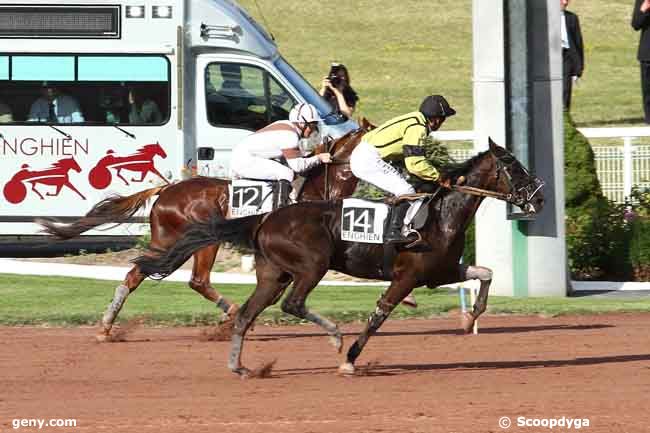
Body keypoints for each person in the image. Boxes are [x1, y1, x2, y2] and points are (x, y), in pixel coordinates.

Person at [349, 95, 456, 307]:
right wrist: (440, 176)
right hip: (369, 158)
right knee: (407, 190)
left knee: (409, 190)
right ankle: (396, 232)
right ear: (435, 118)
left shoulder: (415, 119)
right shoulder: (418, 128)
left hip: (368, 155)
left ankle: (397, 230)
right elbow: (415, 163)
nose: (442, 123)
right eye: (443, 119)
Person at [229, 102, 331, 203]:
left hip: (243, 155)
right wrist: (319, 158)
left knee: (284, 169)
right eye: (312, 126)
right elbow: (297, 167)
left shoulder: (287, 125)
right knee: (286, 173)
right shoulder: (290, 136)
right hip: (244, 159)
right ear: (301, 123)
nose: (313, 130)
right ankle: (280, 211)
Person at [561, 0, 584, 110]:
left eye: (567, 0)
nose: (565, 2)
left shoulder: (572, 18)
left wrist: (578, 68)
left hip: (566, 56)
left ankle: (565, 116)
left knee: (566, 89)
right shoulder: (543, 17)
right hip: (550, 56)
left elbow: (578, 42)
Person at [633, 0, 650, 123]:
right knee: (648, 91)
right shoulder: (642, 1)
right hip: (647, 54)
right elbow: (635, 24)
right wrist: (643, 9)